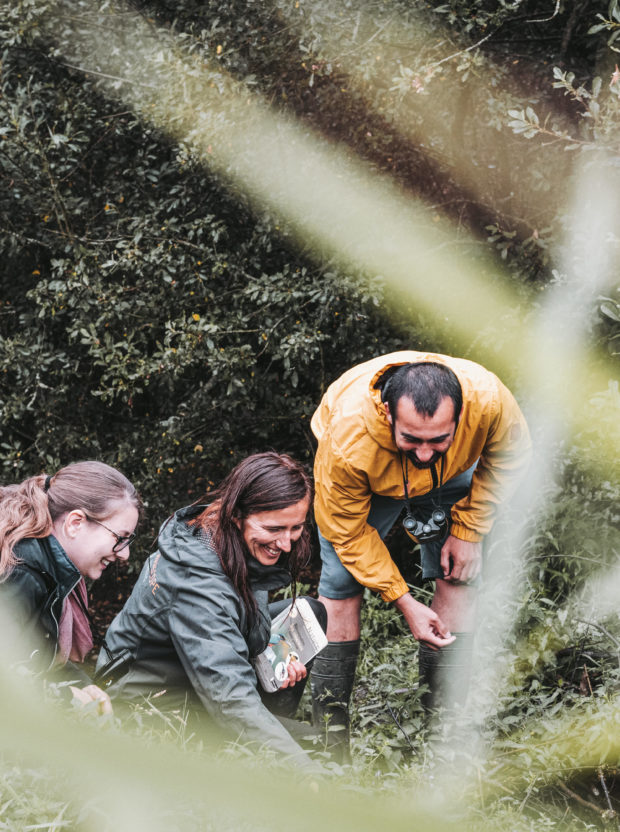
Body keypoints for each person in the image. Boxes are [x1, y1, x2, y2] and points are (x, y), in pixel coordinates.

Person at [310, 351, 531, 752]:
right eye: (411, 438)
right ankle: (330, 745)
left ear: (460, 419)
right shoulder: (348, 440)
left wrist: (469, 530)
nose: (424, 452)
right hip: (369, 474)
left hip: (456, 470)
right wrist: (403, 600)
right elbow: (347, 531)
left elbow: (509, 458)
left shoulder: (488, 401)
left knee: (459, 570)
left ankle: (443, 736)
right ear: (389, 417)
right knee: (341, 583)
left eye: (437, 439)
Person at [96, 452, 326, 770]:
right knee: (314, 750)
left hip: (194, 673)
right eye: (274, 528)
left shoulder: (229, 538)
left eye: (295, 527)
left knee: (307, 611)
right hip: (152, 706)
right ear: (237, 516)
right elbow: (228, 697)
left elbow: (240, 624)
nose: (286, 543)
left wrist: (276, 651)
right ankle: (252, 744)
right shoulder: (197, 582)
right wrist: (305, 772)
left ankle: (265, 725)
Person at [0, 460, 141, 713]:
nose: (125, 554)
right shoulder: (21, 574)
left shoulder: (46, 569)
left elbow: (36, 659)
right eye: (120, 538)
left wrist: (84, 688)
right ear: (75, 523)